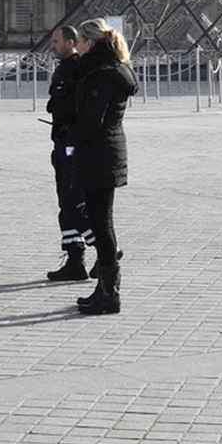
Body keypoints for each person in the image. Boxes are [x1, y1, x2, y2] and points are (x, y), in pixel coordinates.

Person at [70, 18, 137, 316]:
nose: (76, 46)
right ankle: (105, 289)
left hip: (99, 153)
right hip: (105, 151)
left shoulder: (102, 74)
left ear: (90, 42)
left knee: (102, 224)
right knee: (101, 222)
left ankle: (110, 294)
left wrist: (72, 134)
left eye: (80, 42)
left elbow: (92, 120)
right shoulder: (108, 70)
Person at [43, 24, 90, 282]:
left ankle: (107, 250)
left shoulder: (76, 69)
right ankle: (75, 259)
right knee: (67, 204)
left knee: (73, 203)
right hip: (65, 141)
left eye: (57, 40)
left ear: (72, 42)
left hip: (71, 144)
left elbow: (69, 107)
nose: (53, 45)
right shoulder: (71, 68)